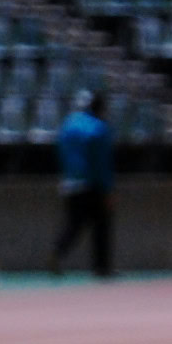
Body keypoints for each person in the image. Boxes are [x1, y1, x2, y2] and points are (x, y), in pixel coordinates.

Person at [50, 90, 116, 278]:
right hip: (91, 184)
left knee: (74, 224)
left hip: (70, 182)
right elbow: (102, 162)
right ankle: (101, 267)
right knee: (102, 225)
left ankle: (58, 250)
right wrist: (107, 189)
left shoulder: (68, 125)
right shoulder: (98, 128)